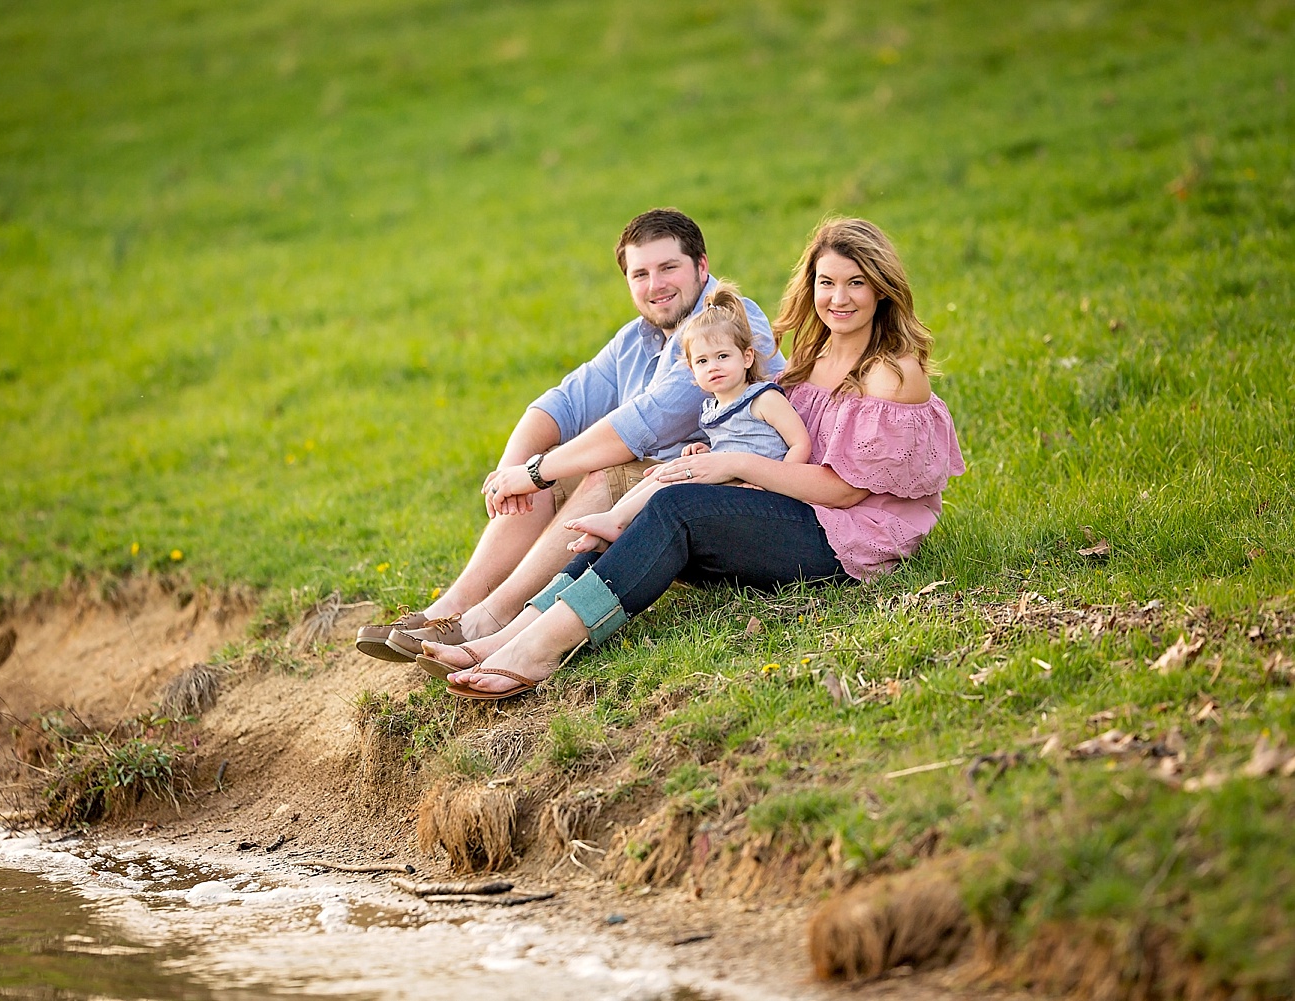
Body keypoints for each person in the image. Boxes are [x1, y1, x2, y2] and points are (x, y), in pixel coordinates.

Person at [422, 217, 967, 700]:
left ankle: (539, 650)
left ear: (882, 291)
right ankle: (506, 636)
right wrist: (713, 455)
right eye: (827, 283)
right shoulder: (812, 355)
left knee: (677, 507)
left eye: (856, 283)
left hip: (845, 543)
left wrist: (734, 468)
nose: (839, 298)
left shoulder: (891, 373)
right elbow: (769, 437)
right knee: (655, 499)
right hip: (791, 510)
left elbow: (847, 490)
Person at [355, 209, 783, 663]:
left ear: (701, 266)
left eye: (668, 268)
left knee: (598, 474)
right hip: (668, 488)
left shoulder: (727, 326)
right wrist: (512, 470)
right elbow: (563, 403)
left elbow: (645, 424)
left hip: (730, 500)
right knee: (548, 463)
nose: (655, 285)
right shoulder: (638, 338)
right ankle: (449, 612)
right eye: (640, 273)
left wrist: (534, 473)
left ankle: (487, 622)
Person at [561, 279, 810, 555]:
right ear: (692, 370)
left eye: (723, 356)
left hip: (762, 489)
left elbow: (800, 443)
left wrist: (778, 485)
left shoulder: (763, 398)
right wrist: (706, 450)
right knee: (667, 471)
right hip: (733, 479)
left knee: (680, 478)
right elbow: (732, 446)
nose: (713, 367)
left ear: (747, 357)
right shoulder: (712, 409)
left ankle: (617, 521)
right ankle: (616, 517)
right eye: (702, 361)